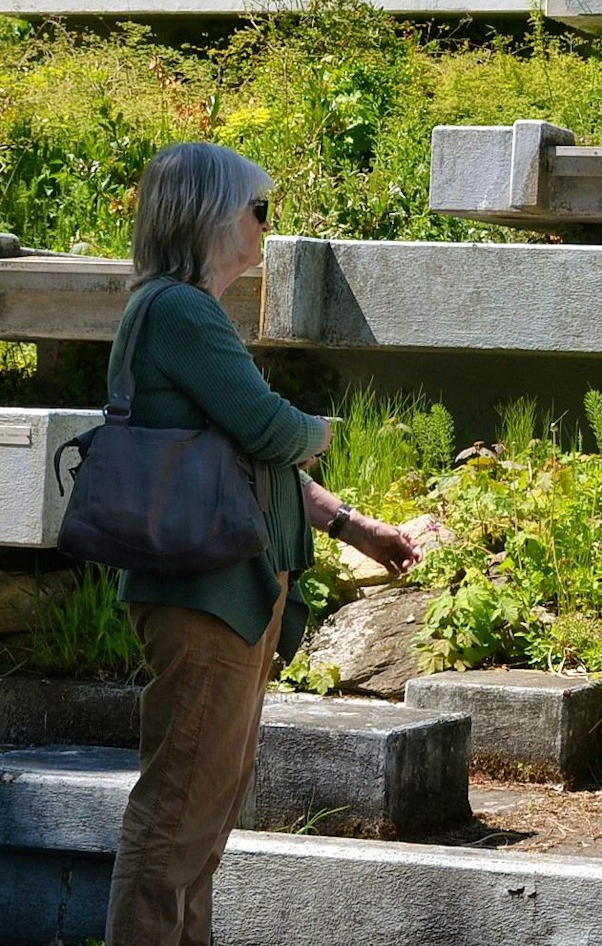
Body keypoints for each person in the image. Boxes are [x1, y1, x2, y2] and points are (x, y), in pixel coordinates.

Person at [104, 143, 418, 946]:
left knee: (202, 817)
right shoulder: (178, 308)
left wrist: (347, 524)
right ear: (212, 216)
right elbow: (269, 429)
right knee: (178, 812)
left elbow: (239, 457)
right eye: (259, 210)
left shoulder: (181, 309)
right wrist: (322, 429)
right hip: (205, 595)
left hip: (228, 594)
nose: (267, 226)